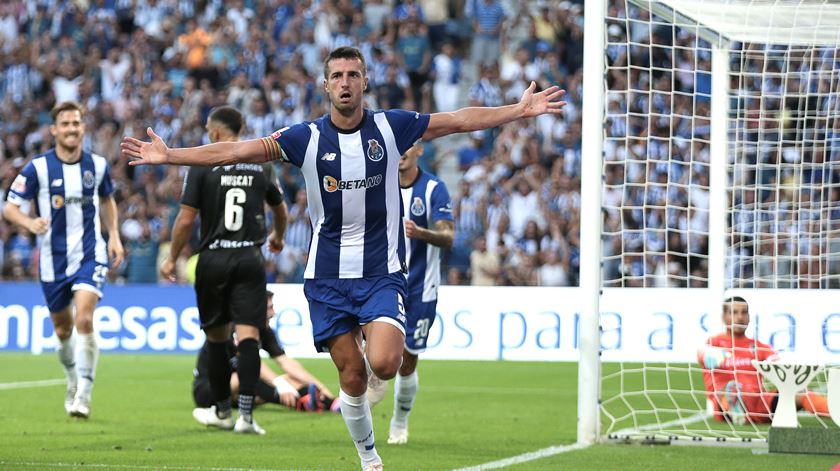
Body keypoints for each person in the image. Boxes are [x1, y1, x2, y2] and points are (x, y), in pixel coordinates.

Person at [122, 46, 565, 471]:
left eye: (353, 75)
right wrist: (171, 156)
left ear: (366, 82)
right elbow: (236, 150)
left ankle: (375, 406)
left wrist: (516, 110)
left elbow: (458, 121)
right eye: (338, 76)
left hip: (381, 272)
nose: (346, 83)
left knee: (387, 363)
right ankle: (369, 455)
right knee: (352, 377)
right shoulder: (305, 137)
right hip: (327, 279)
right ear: (326, 85)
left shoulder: (392, 127)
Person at [162, 106, 287, 435]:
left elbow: (186, 219)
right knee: (249, 337)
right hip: (249, 259)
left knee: (217, 340)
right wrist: (278, 235)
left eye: (208, 128)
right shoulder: (260, 165)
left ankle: (221, 411)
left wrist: (171, 257)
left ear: (216, 132)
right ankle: (246, 417)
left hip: (214, 259)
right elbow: (280, 207)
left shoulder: (203, 164)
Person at [3, 101, 124, 419]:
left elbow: (108, 199)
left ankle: (84, 393)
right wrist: (30, 224)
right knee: (62, 331)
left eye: (77, 123)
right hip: (52, 261)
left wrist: (114, 235)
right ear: (54, 130)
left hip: (89, 253)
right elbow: (10, 207)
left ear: (83, 128)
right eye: (66, 124)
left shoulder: (97, 165)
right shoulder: (37, 168)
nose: (72, 128)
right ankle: (72, 379)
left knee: (84, 318)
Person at [375, 143, 453, 446]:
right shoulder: (379, 185)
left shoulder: (434, 188)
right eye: (398, 146)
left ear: (419, 150)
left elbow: (448, 237)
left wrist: (422, 233)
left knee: (407, 361)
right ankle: (366, 397)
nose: (403, 151)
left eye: (409, 145)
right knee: (377, 355)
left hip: (421, 289)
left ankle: (399, 421)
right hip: (383, 283)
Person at [192, 290, 340, 414]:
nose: (274, 313)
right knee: (250, 376)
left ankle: (330, 402)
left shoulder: (265, 331)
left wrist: (322, 388)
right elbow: (252, 365)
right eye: (269, 308)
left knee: (290, 379)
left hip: (238, 392)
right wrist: (280, 385)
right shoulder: (234, 329)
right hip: (208, 390)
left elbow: (287, 363)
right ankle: (302, 402)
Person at [698, 296, 829, 424]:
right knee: (732, 389)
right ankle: (734, 406)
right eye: (734, 312)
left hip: (760, 402)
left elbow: (776, 363)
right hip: (725, 402)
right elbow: (702, 353)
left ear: (749, 317)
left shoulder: (759, 347)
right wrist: (710, 356)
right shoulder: (714, 343)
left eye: (744, 313)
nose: (739, 317)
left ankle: (833, 411)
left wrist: (780, 368)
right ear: (724, 317)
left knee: (801, 392)